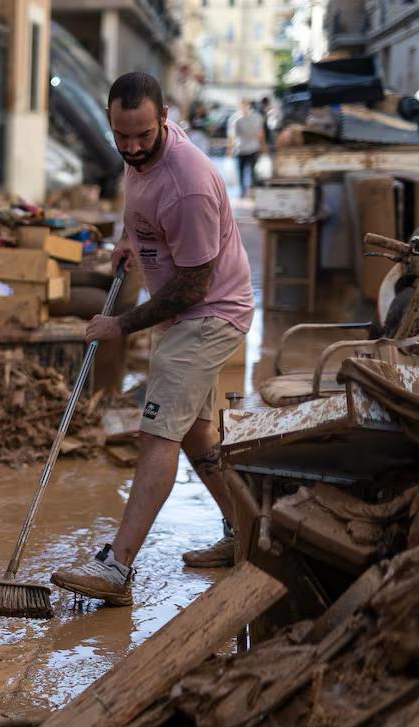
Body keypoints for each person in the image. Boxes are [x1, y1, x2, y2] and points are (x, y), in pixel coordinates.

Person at [50, 72, 253, 606]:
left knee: (157, 432)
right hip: (191, 312)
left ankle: (117, 568)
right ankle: (249, 534)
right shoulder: (137, 149)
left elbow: (193, 286)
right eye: (123, 138)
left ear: (165, 120)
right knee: (194, 434)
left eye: (144, 137)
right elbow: (139, 197)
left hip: (207, 313)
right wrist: (128, 238)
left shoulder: (188, 184)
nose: (134, 148)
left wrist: (120, 325)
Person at [226, 99, 265, 198]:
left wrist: (262, 146)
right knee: (242, 172)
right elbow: (231, 136)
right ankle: (244, 191)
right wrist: (229, 149)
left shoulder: (256, 117)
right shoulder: (235, 118)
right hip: (241, 149)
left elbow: (260, 133)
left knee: (252, 171)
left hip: (252, 148)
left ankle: (251, 190)